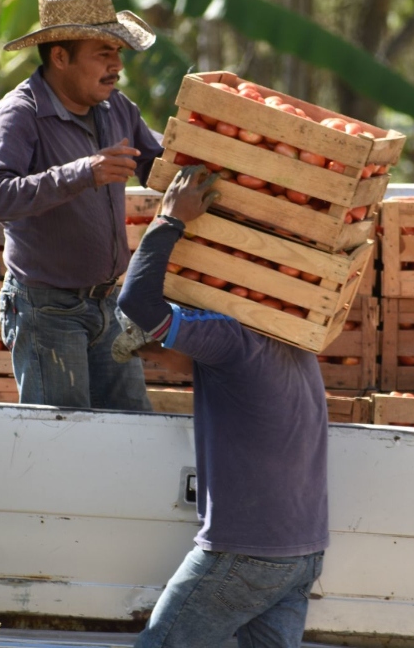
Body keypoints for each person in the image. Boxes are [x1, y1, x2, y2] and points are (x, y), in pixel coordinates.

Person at [115, 165, 330, 648]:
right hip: (304, 552)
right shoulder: (294, 345)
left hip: (245, 553)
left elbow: (138, 304)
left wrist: (170, 219)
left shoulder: (230, 336)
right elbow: (199, 365)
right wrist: (152, 347)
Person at [0, 0, 164, 411]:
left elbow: (156, 162)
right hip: (46, 312)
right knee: (60, 442)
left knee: (129, 433)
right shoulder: (18, 116)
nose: (117, 64)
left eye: (118, 51)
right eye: (104, 52)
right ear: (60, 56)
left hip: (109, 304)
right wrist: (83, 172)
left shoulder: (118, 108)